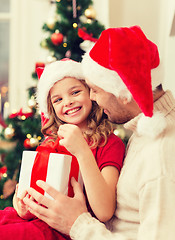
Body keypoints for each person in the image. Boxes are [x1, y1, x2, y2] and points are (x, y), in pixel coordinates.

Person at [23, 26, 175, 240]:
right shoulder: (144, 133)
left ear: (123, 93)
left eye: (95, 89)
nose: (92, 98)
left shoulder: (161, 157)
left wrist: (77, 224)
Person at [0, 59, 125, 240]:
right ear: (52, 109)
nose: (68, 102)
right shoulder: (51, 143)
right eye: (58, 99)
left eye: (75, 92)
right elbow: (32, 193)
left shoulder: (110, 143)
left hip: (65, 230)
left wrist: (82, 150)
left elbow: (104, 211)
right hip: (38, 220)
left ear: (92, 93)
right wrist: (22, 205)